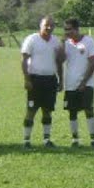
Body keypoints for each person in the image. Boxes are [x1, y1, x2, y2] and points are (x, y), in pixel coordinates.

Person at [20, 15, 63, 148]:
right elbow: (24, 60)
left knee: (47, 110)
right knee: (31, 110)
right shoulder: (32, 39)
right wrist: (27, 79)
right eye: (46, 25)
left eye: (52, 25)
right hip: (35, 79)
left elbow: (59, 62)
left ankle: (46, 139)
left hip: (50, 79)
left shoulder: (56, 41)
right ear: (40, 26)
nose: (49, 28)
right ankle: (26, 140)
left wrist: (61, 80)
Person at [62, 18, 94, 147]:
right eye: (65, 29)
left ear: (77, 29)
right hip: (70, 84)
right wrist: (62, 45)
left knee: (88, 110)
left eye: (69, 29)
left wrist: (84, 81)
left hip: (86, 83)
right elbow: (60, 60)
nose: (67, 32)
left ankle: (93, 139)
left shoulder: (88, 41)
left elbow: (93, 62)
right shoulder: (66, 43)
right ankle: (75, 139)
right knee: (72, 112)